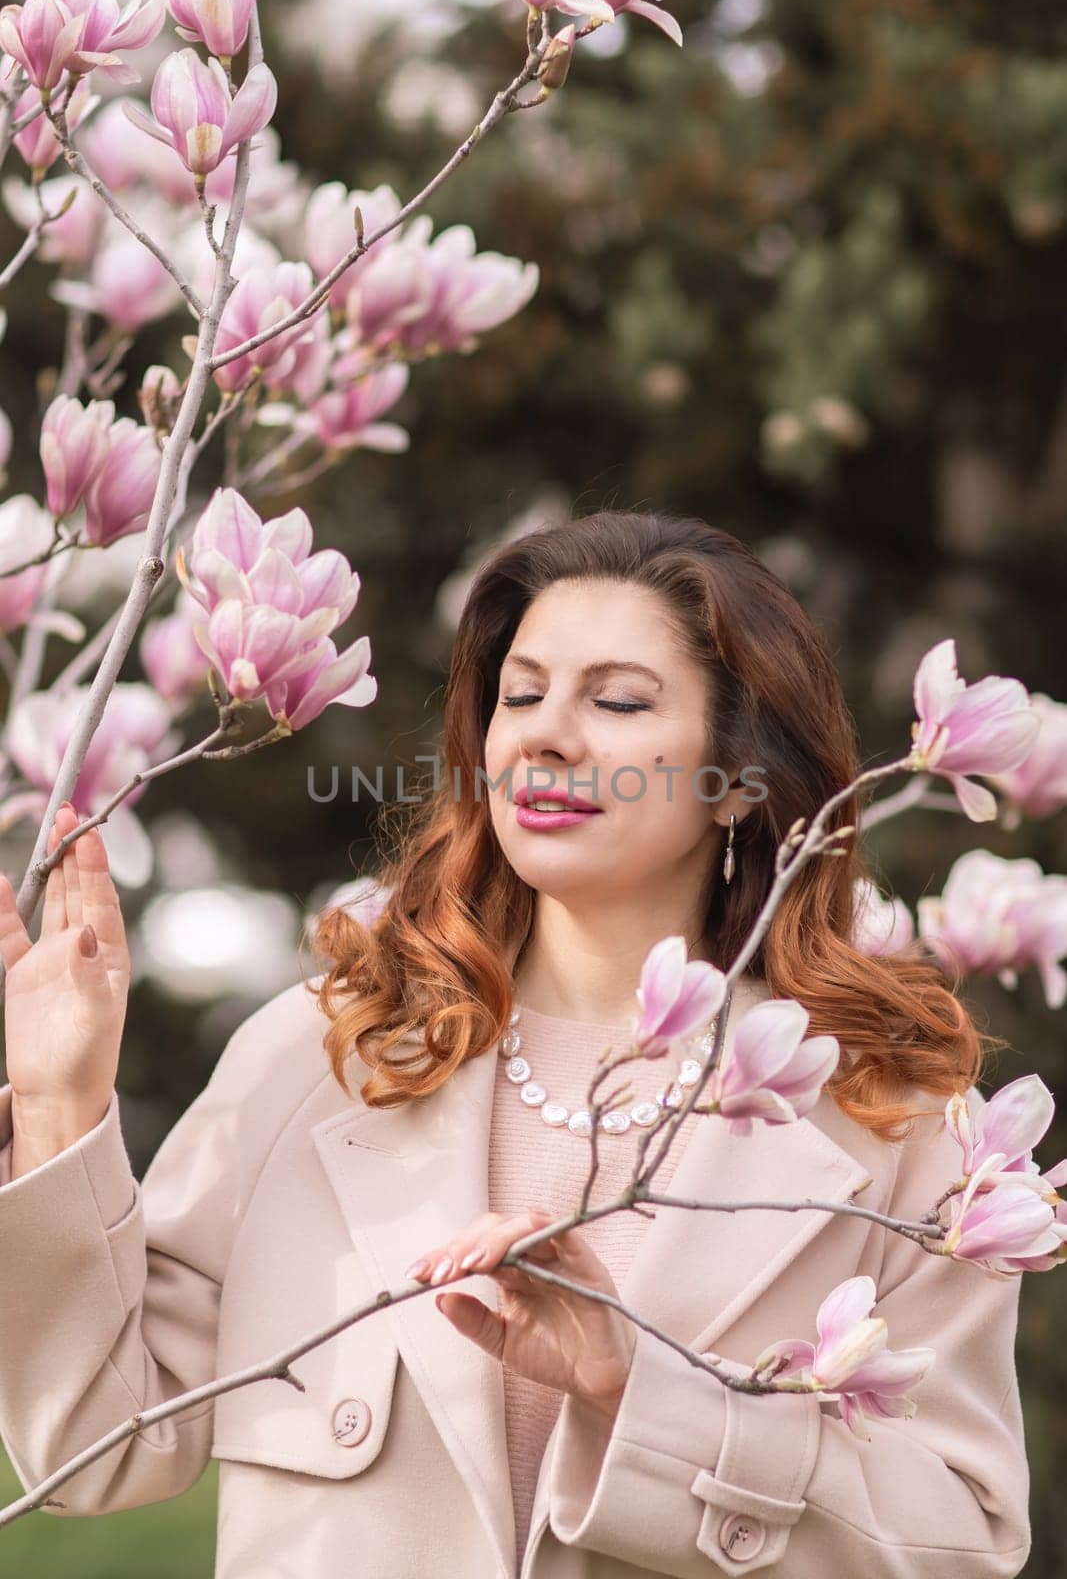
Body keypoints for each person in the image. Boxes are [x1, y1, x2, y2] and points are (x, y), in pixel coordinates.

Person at [0, 511, 1031, 1578]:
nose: (544, 734)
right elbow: (90, 1449)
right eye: (521, 694)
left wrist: (642, 1391)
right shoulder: (324, 1058)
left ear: (735, 777)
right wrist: (59, 1103)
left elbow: (963, 1544)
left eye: (617, 700)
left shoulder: (884, 1115)